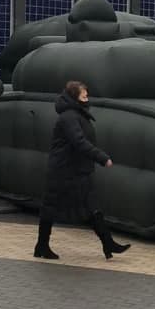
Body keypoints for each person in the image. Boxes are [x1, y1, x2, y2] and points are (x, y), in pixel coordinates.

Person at [34, 80, 130, 262]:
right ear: (74, 97)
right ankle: (42, 245)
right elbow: (79, 142)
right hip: (63, 171)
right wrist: (101, 157)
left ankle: (108, 243)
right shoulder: (69, 117)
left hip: (76, 170)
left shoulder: (77, 114)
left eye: (87, 94)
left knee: (91, 205)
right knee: (51, 207)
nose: (87, 97)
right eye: (83, 95)